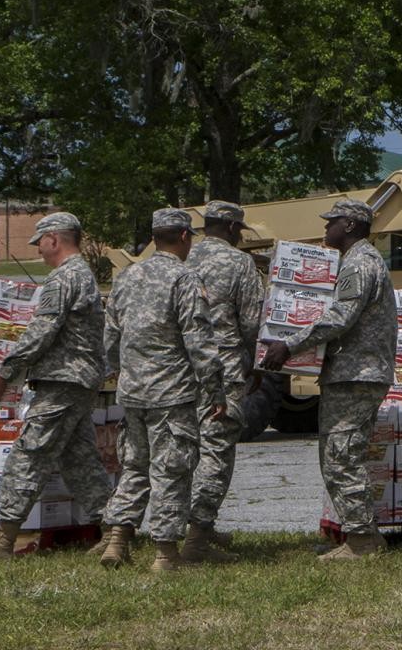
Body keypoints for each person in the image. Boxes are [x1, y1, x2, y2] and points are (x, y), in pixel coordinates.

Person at [0, 212, 114, 559]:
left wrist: (6, 372)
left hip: (63, 381)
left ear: (54, 240)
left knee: (27, 455)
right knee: (79, 459)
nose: (40, 251)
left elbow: (42, 331)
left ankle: (2, 540)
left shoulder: (64, 278)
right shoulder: (82, 274)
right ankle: (114, 530)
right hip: (76, 379)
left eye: (41, 243)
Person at [259, 198, 397, 561]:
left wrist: (288, 345)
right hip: (357, 373)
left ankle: (362, 542)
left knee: (340, 457)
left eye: (331, 221)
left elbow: (340, 317)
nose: (325, 228)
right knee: (345, 454)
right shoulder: (360, 261)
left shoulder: (359, 263)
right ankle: (365, 535)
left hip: (355, 375)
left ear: (349, 225)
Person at [99, 208, 224, 571]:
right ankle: (166, 555)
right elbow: (199, 340)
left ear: (155, 237)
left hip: (133, 390)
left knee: (135, 466)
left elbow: (111, 337)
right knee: (171, 469)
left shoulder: (128, 276)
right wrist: (215, 391)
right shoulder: (184, 279)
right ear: (185, 237)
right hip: (172, 393)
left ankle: (118, 540)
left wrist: (123, 372)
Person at [184, 199, 263, 561]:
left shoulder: (182, 258)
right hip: (225, 368)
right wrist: (260, 366)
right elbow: (252, 323)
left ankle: (191, 527)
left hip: (183, 370)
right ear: (233, 229)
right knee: (216, 451)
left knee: (186, 449)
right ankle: (198, 537)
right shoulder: (239, 262)